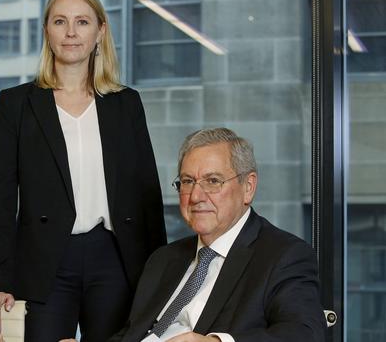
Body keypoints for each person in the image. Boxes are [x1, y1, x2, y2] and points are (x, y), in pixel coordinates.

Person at [0, 0, 166, 342]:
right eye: (60, 21)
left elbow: (148, 198)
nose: (70, 32)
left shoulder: (126, 104)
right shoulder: (16, 105)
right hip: (44, 261)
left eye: (82, 22)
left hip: (114, 259)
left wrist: (159, 281)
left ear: (100, 31)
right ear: (47, 31)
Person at [95, 127, 325, 342]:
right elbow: (132, 334)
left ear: (248, 187)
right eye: (187, 181)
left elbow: (304, 333)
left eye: (213, 181)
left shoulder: (283, 255)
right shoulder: (163, 259)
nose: (195, 196)